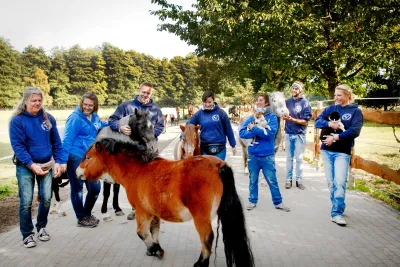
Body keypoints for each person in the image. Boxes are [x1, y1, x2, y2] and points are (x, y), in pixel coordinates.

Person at [9, 87, 64, 248]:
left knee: (46, 198)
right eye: (34, 100)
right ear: (25, 101)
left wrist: (58, 162)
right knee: (26, 201)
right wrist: (32, 165)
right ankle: (27, 234)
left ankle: (41, 227)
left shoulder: (48, 119)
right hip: (25, 166)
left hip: (46, 164)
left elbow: (57, 143)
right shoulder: (17, 121)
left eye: (39, 100)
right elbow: (18, 147)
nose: (37, 103)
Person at [107, 82, 164, 220]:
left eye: (148, 93)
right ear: (139, 91)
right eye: (143, 92)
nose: (145, 95)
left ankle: (152, 208)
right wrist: (119, 128)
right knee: (133, 181)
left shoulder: (156, 109)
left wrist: (149, 135)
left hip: (149, 149)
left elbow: (160, 126)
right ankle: (135, 208)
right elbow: (112, 119)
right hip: (131, 151)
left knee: (151, 180)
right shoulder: (126, 106)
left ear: (151, 94)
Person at [315, 84, 363, 226]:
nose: (336, 97)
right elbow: (318, 121)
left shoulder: (355, 112)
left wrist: (335, 138)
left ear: (347, 95)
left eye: (339, 95)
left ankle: (336, 213)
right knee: (331, 183)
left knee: (340, 182)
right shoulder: (331, 109)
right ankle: (338, 206)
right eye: (335, 95)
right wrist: (330, 124)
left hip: (342, 152)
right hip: (326, 151)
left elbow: (355, 131)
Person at [61, 92, 108, 228]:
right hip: (75, 156)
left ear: (95, 106)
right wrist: (63, 160)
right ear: (81, 103)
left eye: (90, 105)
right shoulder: (75, 118)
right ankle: (81, 218)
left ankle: (86, 214)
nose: (87, 107)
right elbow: (67, 140)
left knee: (95, 188)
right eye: (85, 104)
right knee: (77, 189)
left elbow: (101, 124)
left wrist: (117, 125)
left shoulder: (94, 117)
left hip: (90, 158)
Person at [239, 94, 290, 212]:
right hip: (253, 154)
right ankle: (252, 201)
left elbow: (270, 133)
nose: (258, 102)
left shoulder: (272, 118)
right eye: (257, 100)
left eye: (261, 100)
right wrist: (257, 132)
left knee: (272, 180)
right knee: (253, 180)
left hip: (267, 155)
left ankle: (278, 202)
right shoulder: (252, 117)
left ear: (266, 103)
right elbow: (242, 133)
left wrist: (254, 129)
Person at [186, 91, 236, 160]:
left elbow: (228, 129)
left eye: (209, 102)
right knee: (207, 170)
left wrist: (233, 145)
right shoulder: (199, 114)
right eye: (205, 102)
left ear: (213, 101)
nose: (207, 104)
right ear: (202, 102)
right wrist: (182, 137)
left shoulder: (221, 113)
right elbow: (188, 126)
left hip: (220, 148)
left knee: (219, 170)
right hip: (205, 148)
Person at [283, 81, 312, 190]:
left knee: (299, 158)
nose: (293, 90)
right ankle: (288, 180)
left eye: (296, 88)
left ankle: (299, 180)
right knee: (289, 158)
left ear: (300, 90)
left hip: (300, 135)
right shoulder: (287, 102)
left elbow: (305, 121)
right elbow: (281, 112)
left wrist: (292, 119)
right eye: (293, 88)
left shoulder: (305, 103)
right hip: (288, 133)